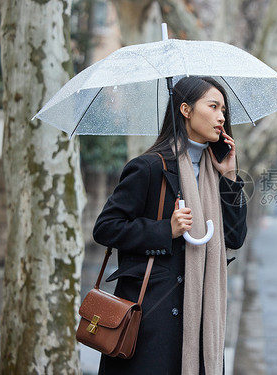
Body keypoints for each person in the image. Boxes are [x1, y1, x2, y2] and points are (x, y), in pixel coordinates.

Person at [93, 76, 247, 375]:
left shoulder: (216, 171)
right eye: (213, 106)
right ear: (186, 110)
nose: (221, 118)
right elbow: (106, 228)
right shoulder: (150, 166)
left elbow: (234, 237)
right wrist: (166, 230)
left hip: (202, 319)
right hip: (152, 320)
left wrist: (229, 177)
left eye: (224, 111)